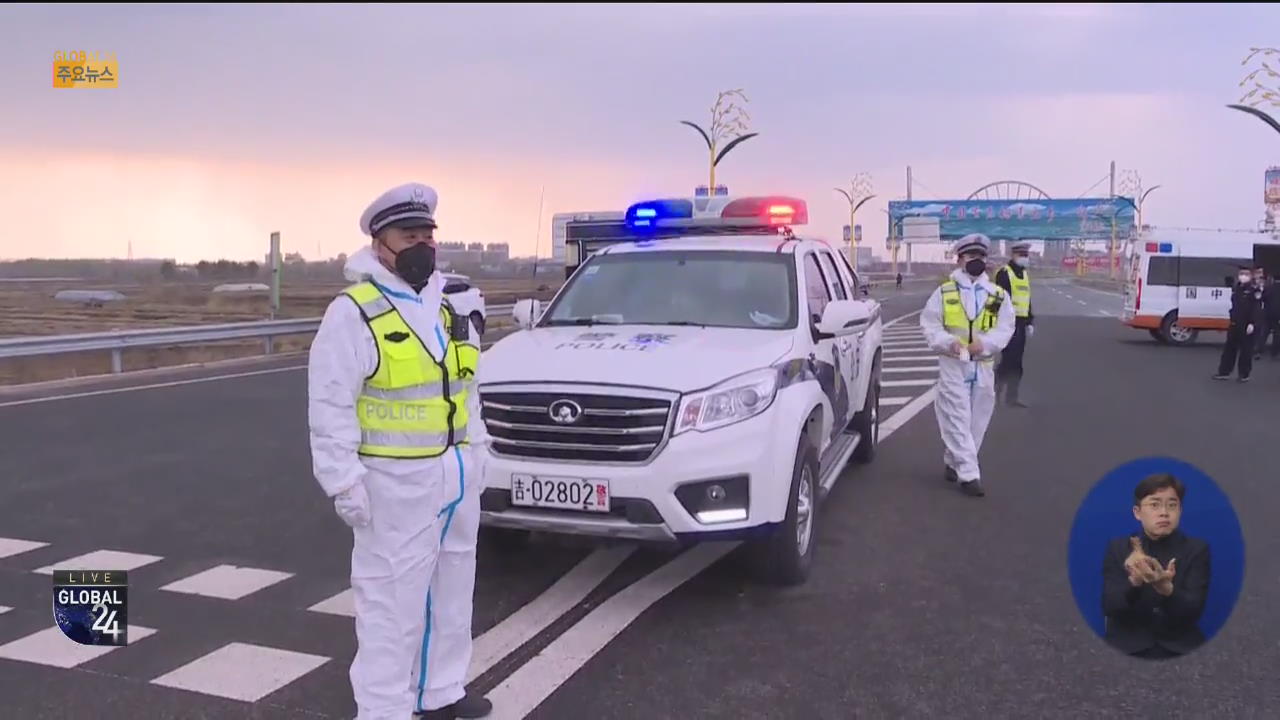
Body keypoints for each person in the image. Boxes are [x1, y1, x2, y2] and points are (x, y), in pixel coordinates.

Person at [307, 182, 492, 720]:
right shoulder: (354, 311)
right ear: (379, 243)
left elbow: (464, 387)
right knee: (391, 605)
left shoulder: (447, 302)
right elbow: (330, 402)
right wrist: (342, 480)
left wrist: (480, 452)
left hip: (456, 471)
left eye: (427, 235)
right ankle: (384, 710)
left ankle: (440, 694)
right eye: (408, 235)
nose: (421, 245)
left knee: (452, 592)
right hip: (394, 482)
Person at [919, 234, 1016, 497]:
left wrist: (984, 344)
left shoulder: (997, 296)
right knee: (956, 416)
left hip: (983, 365)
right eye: (971, 257)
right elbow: (930, 325)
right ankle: (969, 474)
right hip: (953, 364)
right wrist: (949, 342)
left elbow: (1005, 328)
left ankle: (954, 460)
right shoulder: (944, 292)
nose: (977, 262)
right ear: (960, 259)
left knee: (977, 421)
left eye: (981, 257)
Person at [1101, 473, 1211, 659]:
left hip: (1179, 648)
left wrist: (1167, 590)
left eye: (1172, 505)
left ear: (1180, 511)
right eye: (1154, 504)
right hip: (1127, 647)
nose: (1164, 512)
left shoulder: (1197, 549)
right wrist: (1134, 584)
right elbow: (1110, 606)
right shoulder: (1119, 548)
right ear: (1137, 512)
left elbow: (1194, 611)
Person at [993, 241, 1035, 408]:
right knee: (1009, 359)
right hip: (1008, 323)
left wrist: (1030, 321)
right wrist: (994, 322)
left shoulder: (1024, 274)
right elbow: (997, 299)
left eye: (1026, 255)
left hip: (1022, 324)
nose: (1025, 258)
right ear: (1013, 255)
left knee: (1017, 362)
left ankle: (1012, 397)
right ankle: (996, 387)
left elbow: (1027, 301)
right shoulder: (1004, 273)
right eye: (1021, 255)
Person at [1214, 265, 1265, 383]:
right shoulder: (1238, 288)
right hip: (1235, 323)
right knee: (1229, 349)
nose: (1243, 276)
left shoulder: (1254, 290)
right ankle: (1224, 372)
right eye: (1241, 274)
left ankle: (1244, 374)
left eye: (1246, 274)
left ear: (1251, 276)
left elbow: (1257, 308)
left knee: (1246, 351)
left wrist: (1253, 323)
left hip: (1247, 325)